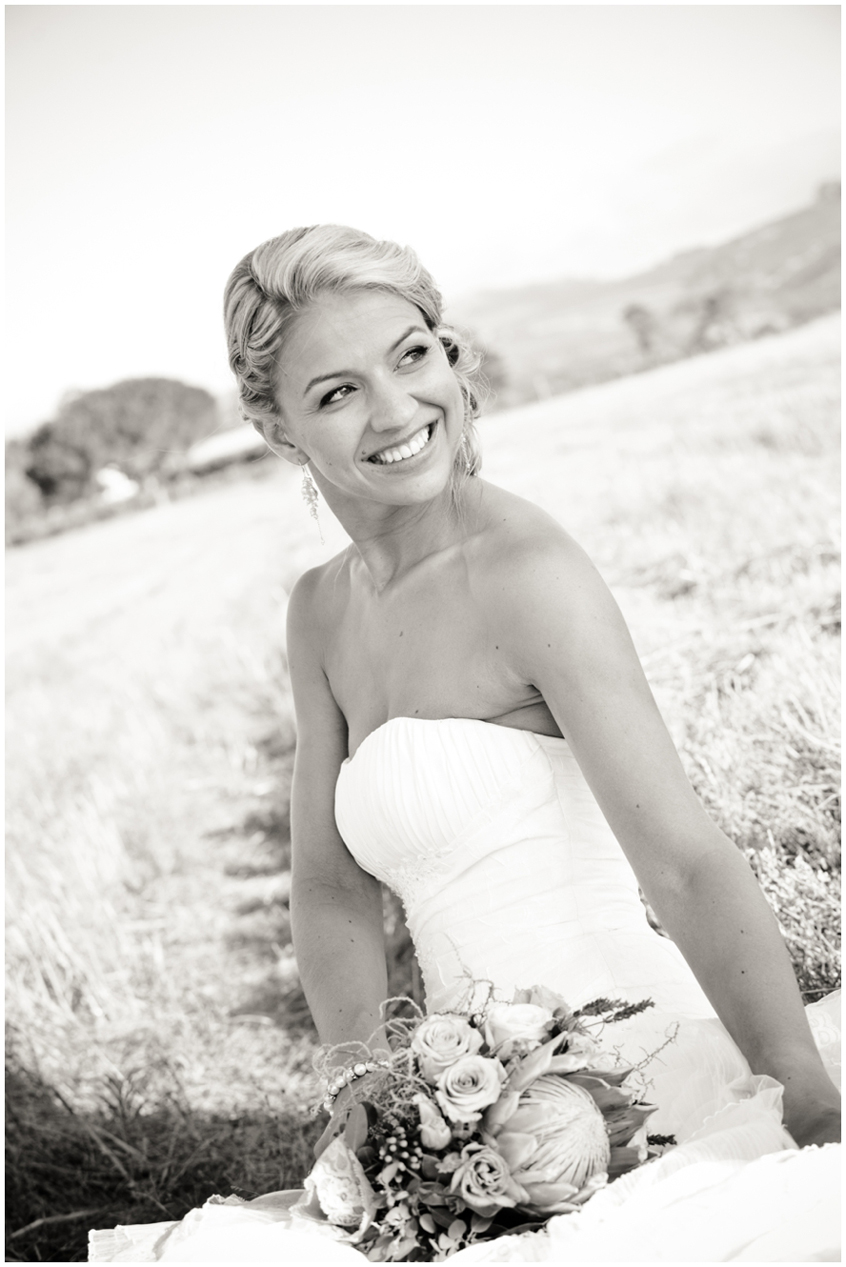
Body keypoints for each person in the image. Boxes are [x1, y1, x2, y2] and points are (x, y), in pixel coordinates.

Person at [89, 226, 840, 1264]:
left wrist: (799, 1089)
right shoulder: (319, 609)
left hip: (630, 1064)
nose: (398, 409)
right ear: (275, 426)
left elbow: (683, 858)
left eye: (412, 356)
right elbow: (328, 884)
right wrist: (367, 1091)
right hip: (454, 1115)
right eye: (338, 392)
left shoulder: (525, 572)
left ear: (449, 355)